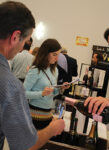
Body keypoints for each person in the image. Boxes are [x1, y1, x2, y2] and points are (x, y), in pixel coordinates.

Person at [0, 1, 65, 150]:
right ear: (16, 37)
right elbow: (24, 146)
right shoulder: (9, 84)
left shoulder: (52, 70)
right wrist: (53, 129)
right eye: (26, 40)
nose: (24, 46)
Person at [24, 39, 69, 130]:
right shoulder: (35, 70)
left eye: (58, 55)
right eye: (54, 55)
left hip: (48, 114)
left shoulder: (54, 70)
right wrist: (42, 93)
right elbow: (23, 93)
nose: (56, 58)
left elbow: (52, 92)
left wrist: (61, 89)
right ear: (45, 53)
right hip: (34, 115)